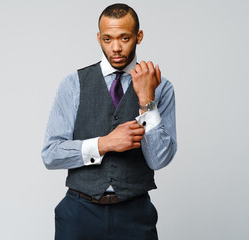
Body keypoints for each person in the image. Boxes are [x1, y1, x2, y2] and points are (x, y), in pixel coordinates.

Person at [42, 3, 177, 240]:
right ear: (98, 38)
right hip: (79, 213)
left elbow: (159, 159)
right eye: (107, 39)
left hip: (135, 214)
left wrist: (147, 101)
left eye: (124, 38)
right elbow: (51, 154)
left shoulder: (161, 87)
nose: (115, 48)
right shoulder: (73, 84)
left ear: (139, 36)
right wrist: (104, 144)